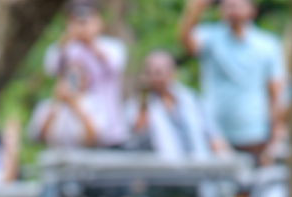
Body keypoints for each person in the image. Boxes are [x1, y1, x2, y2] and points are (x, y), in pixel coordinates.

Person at [179, 0, 285, 164]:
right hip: (215, 132)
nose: (232, 11)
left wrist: (276, 130)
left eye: (237, 6)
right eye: (227, 6)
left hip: (254, 131)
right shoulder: (210, 38)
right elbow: (186, 42)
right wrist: (195, 9)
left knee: (251, 185)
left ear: (252, 10)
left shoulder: (267, 44)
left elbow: (276, 91)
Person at [42, 0, 128, 147]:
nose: (82, 23)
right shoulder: (67, 49)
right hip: (76, 134)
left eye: (88, 18)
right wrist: (67, 37)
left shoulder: (112, 47)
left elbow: (114, 66)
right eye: (77, 20)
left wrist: (90, 40)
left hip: (110, 132)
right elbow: (50, 68)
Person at [124, 50, 229, 158]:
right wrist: (144, 96)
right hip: (161, 170)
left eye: (159, 72)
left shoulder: (191, 99)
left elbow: (213, 135)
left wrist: (225, 160)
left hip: (198, 167)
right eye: (150, 73)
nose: (155, 77)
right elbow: (137, 132)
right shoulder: (138, 104)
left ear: (173, 72)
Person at [28, 59, 105, 148]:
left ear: (85, 80)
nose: (71, 82)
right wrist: (56, 103)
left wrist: (75, 106)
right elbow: (39, 138)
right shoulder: (47, 105)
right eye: (67, 77)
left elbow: (94, 138)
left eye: (75, 78)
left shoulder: (94, 103)